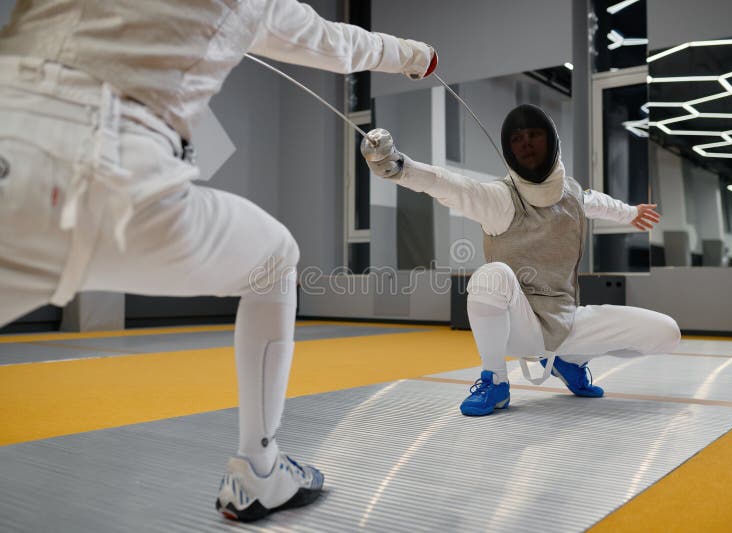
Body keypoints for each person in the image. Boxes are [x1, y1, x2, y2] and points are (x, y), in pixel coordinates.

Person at [0, 0, 437, 522]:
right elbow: (337, 45)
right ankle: (259, 468)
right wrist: (418, 55)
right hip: (111, 171)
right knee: (274, 260)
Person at [361, 104, 681, 416]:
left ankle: (571, 362)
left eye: (534, 134)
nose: (525, 142)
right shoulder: (500, 198)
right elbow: (451, 186)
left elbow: (595, 203)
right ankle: (495, 380)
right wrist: (400, 167)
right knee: (491, 276)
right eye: (517, 138)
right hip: (517, 325)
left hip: (565, 320)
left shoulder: (570, 192)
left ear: (552, 140)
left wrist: (631, 213)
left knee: (666, 333)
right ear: (509, 150)